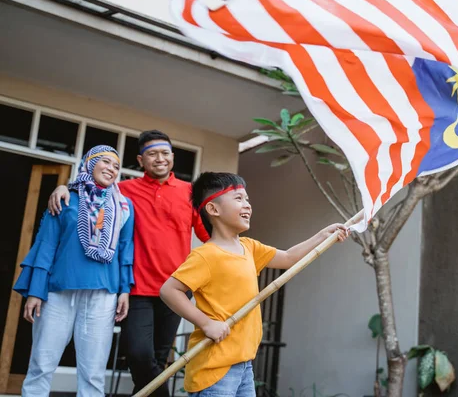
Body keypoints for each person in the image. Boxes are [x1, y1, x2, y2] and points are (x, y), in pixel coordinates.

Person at [159, 172, 349, 396]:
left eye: (247, 199)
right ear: (213, 209)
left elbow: (288, 258)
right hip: (214, 367)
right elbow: (169, 290)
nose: (247, 205)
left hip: (244, 364)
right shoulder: (206, 256)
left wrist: (322, 235)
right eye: (238, 198)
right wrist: (207, 323)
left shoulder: (249, 248)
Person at [47, 130, 203, 396]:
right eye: (152, 154)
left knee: (158, 359)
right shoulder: (124, 191)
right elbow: (90, 191)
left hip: (177, 288)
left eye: (165, 153)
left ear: (173, 157)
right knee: (139, 354)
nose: (160, 159)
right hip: (137, 287)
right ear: (141, 161)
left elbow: (209, 234)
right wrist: (64, 186)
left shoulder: (190, 193)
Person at [14, 145, 134, 397]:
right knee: (41, 365)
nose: (112, 169)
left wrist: (124, 290)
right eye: (105, 162)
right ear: (88, 163)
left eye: (116, 166)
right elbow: (46, 244)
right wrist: (36, 290)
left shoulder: (124, 207)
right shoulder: (65, 197)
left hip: (103, 295)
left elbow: (125, 249)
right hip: (59, 292)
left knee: (93, 373)